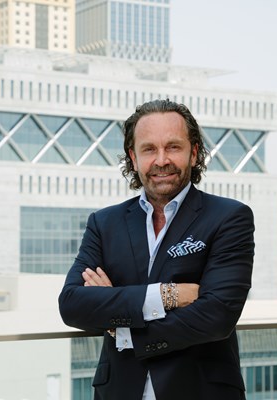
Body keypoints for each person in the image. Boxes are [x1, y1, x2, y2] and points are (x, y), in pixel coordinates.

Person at [58, 99, 254, 400]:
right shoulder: (104, 223)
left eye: (173, 147)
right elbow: (73, 304)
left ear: (194, 153)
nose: (161, 160)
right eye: (149, 149)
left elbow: (217, 316)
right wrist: (167, 295)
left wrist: (122, 326)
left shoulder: (229, 217)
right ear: (133, 157)